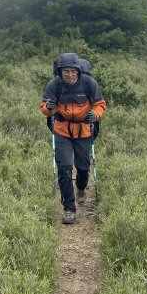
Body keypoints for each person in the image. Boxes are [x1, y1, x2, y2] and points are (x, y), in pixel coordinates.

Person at [40, 52, 106, 224]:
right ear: (60, 72)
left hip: (84, 130)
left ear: (78, 71)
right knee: (65, 167)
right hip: (62, 130)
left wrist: (95, 114)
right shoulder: (54, 85)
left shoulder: (89, 83)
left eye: (73, 71)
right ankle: (69, 209)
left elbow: (100, 104)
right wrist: (49, 108)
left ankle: (81, 188)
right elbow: (44, 108)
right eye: (66, 71)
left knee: (83, 168)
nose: (70, 75)